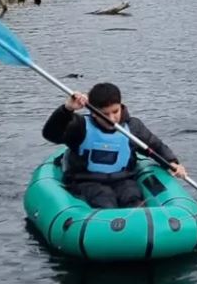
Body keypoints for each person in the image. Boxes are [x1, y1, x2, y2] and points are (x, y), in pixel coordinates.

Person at [42, 82, 188, 209]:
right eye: (105, 114)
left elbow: (155, 146)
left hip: (123, 179)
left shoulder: (133, 127)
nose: (112, 119)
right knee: (105, 200)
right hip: (87, 181)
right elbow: (51, 134)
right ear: (93, 112)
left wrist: (172, 162)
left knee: (132, 198)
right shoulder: (79, 126)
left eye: (115, 111)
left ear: (121, 106)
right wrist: (67, 109)